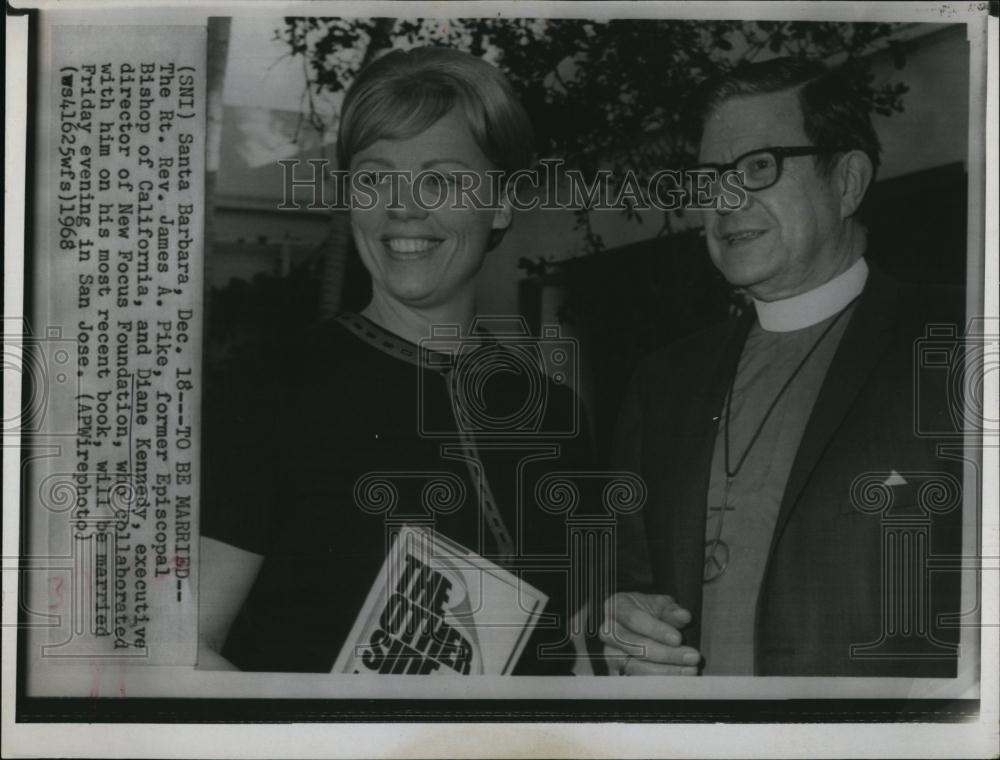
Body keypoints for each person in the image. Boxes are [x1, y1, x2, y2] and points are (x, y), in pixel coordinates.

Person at [198, 47, 591, 675]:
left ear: (502, 202)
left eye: (440, 178)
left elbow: (571, 650)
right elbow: (182, 651)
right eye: (375, 177)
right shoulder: (270, 390)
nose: (402, 206)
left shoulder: (555, 414)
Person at [602, 57, 965, 677]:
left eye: (759, 166)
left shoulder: (962, 341)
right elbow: (623, 585)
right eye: (709, 178)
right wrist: (618, 625)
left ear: (848, 182)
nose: (726, 199)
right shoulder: (662, 384)